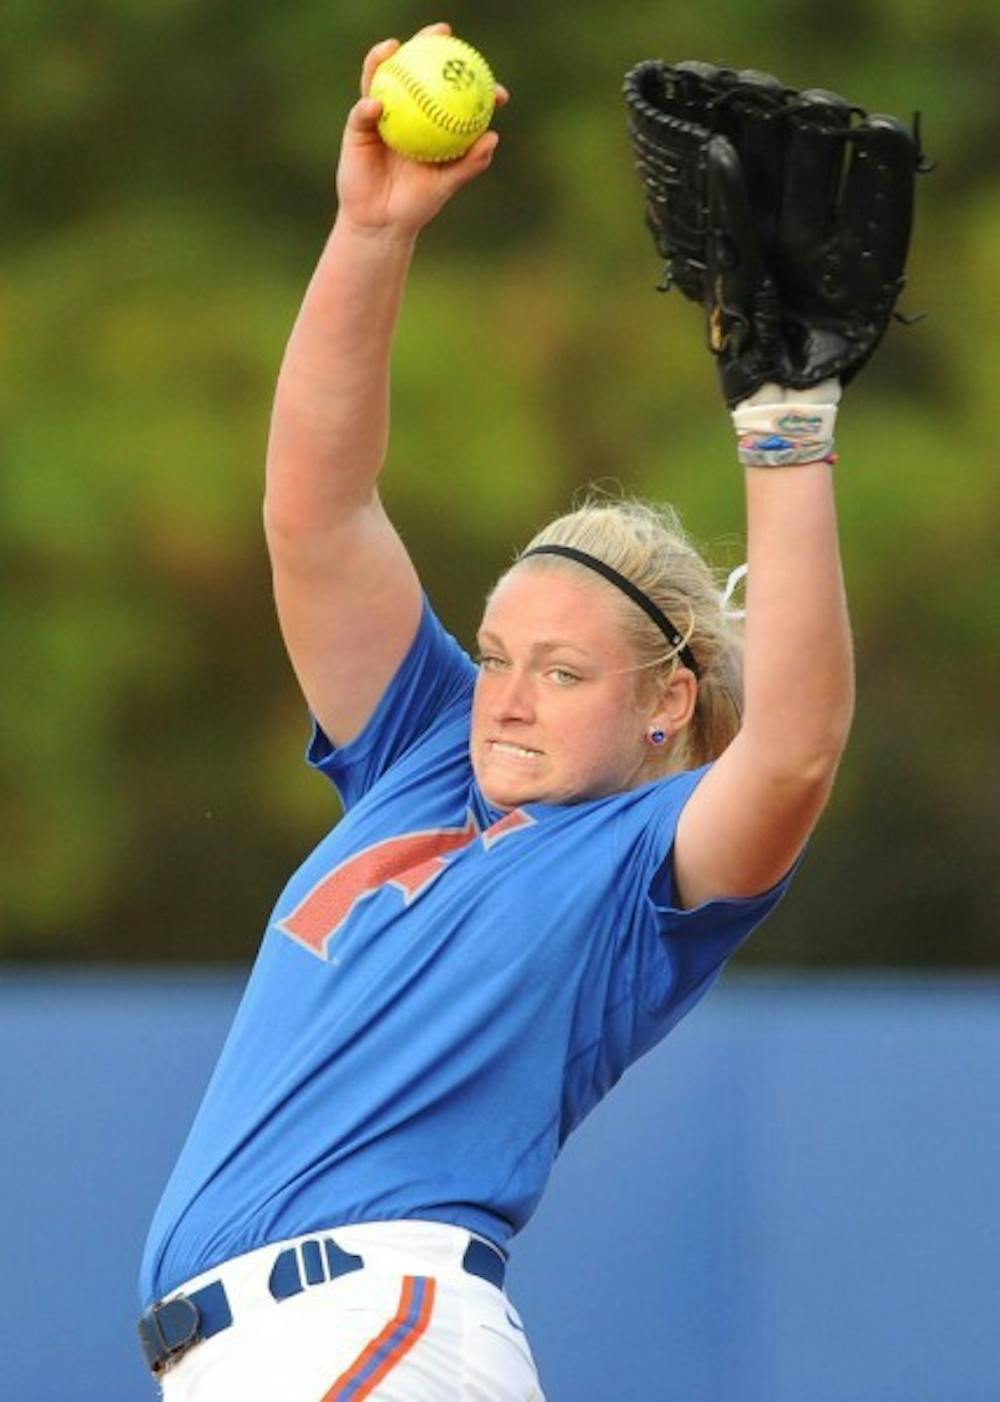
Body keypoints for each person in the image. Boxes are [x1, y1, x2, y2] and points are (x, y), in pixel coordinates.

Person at [137, 23, 854, 1402]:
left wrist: (785, 428)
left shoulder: (640, 870)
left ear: (668, 705)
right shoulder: (421, 756)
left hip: (373, 1327)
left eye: (563, 670)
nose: (507, 695)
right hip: (271, 1353)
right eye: (498, 651)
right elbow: (317, 511)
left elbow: (800, 742)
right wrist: (371, 234)